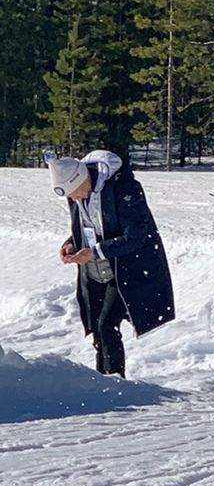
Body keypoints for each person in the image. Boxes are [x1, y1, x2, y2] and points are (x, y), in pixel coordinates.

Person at [48, 150, 175, 378]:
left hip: (127, 267)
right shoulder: (77, 193)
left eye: (75, 193)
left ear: (81, 179)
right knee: (97, 325)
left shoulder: (123, 188)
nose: (75, 199)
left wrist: (96, 251)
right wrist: (71, 244)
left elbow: (136, 235)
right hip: (96, 270)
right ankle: (102, 379)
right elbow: (88, 226)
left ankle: (116, 379)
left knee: (108, 324)